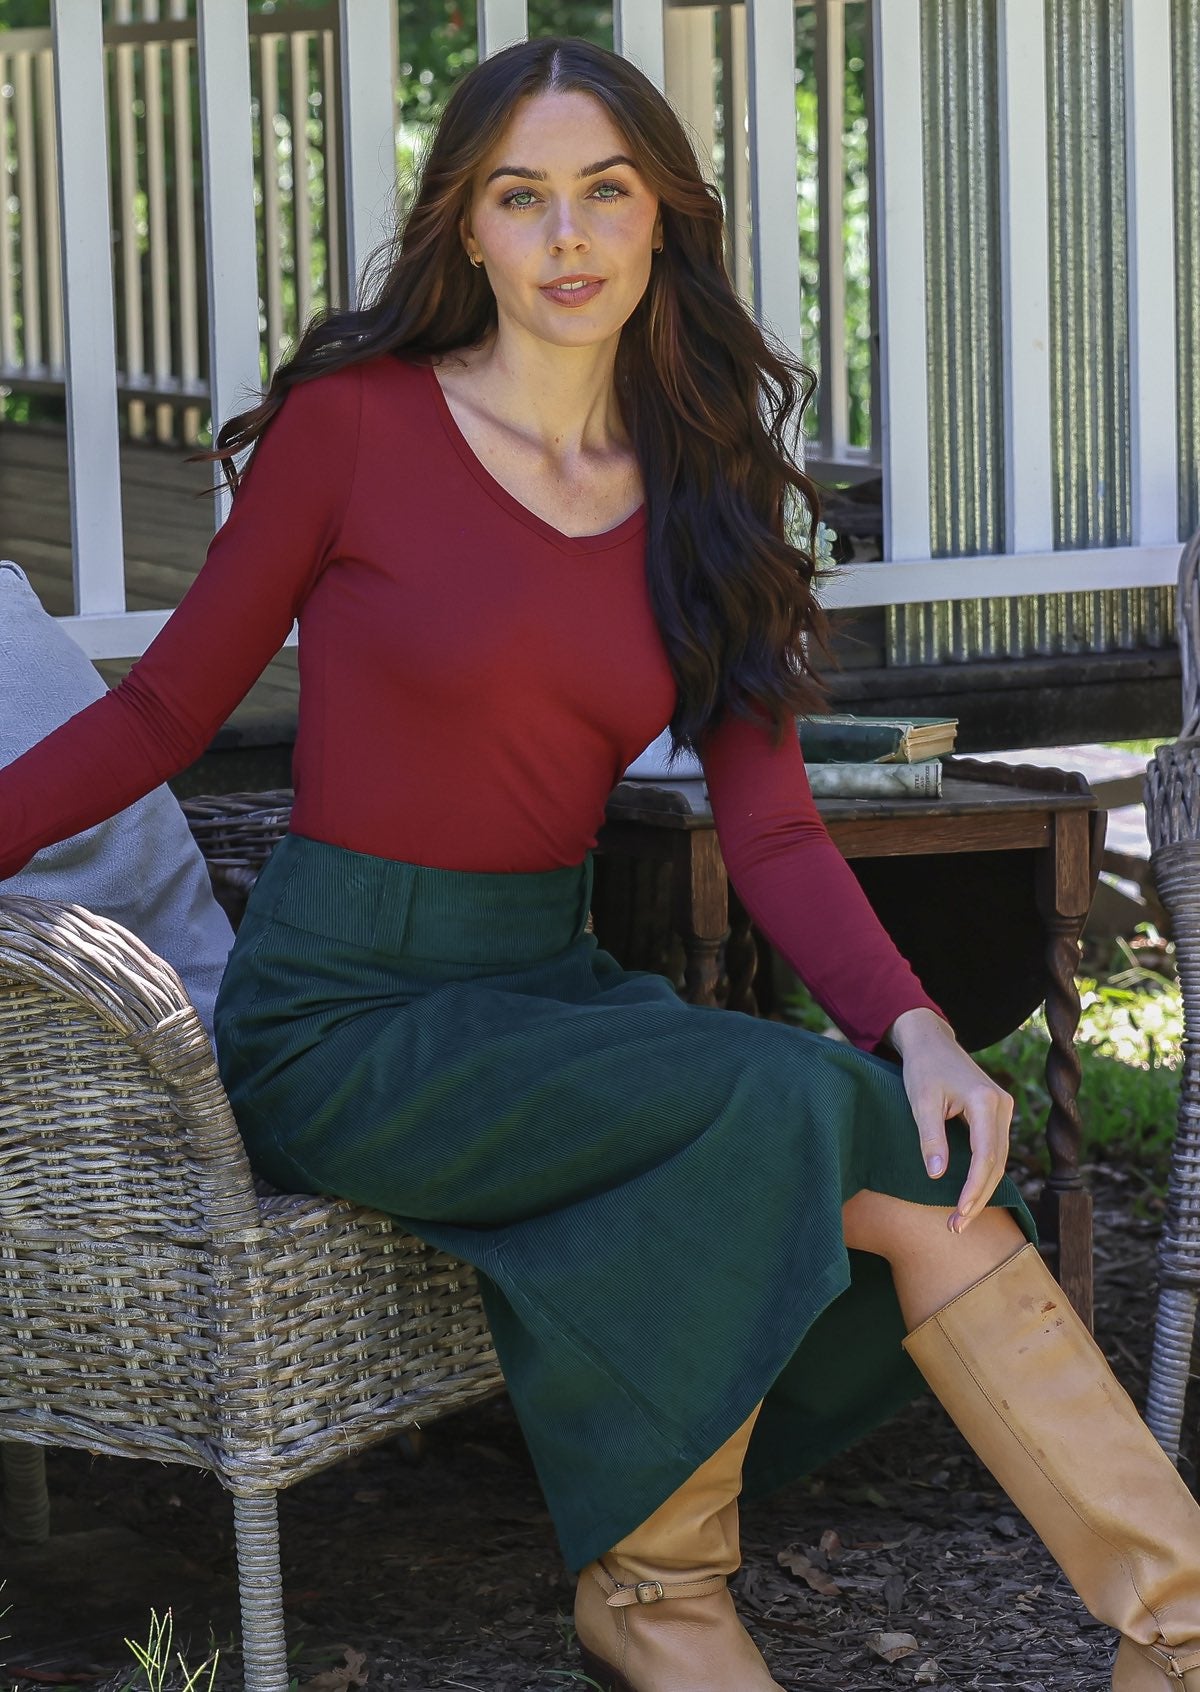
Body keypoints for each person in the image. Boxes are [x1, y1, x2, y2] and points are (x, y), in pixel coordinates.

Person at [1, 35, 1196, 1692]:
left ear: (661, 224)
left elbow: (770, 821)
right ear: (469, 231)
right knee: (775, 1102)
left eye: (603, 194)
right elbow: (159, 718)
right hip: (347, 1016)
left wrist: (919, 1025)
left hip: (547, 985)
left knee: (919, 1160)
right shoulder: (351, 431)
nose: (566, 237)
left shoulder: (702, 492)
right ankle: (658, 1599)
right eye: (522, 197)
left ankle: (1167, 1631)